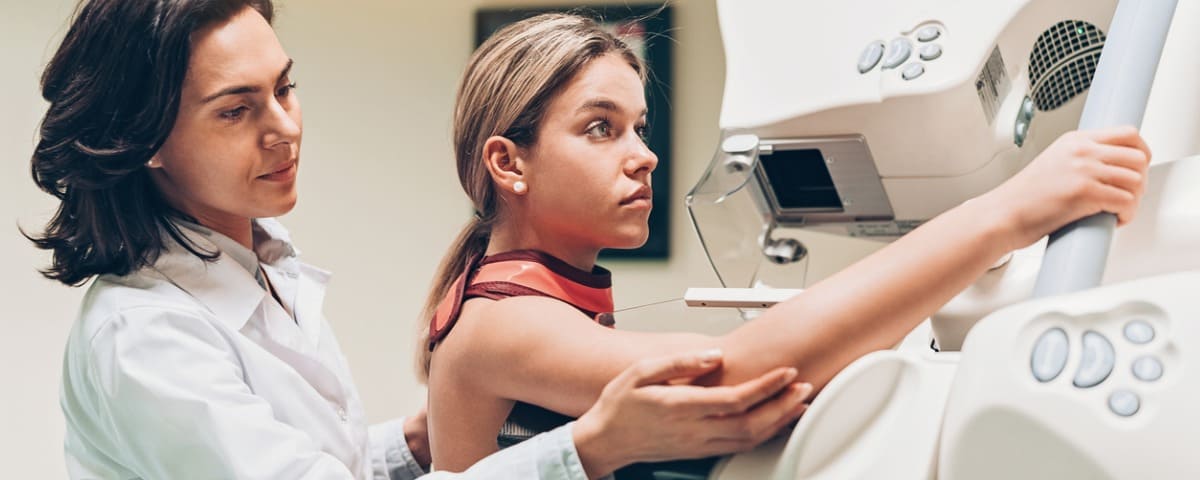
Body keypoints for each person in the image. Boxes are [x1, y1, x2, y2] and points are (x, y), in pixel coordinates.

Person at [26, 1, 812, 479]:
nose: (285, 129)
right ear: (146, 139)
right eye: (237, 110)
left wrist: (412, 439)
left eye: (286, 88)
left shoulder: (263, 267)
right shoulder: (145, 338)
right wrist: (589, 450)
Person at [422, 12, 1153, 473]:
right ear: (508, 163)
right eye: (600, 128)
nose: (642, 154)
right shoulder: (500, 320)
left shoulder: (531, 301)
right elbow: (730, 375)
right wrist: (1006, 212)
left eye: (640, 127)